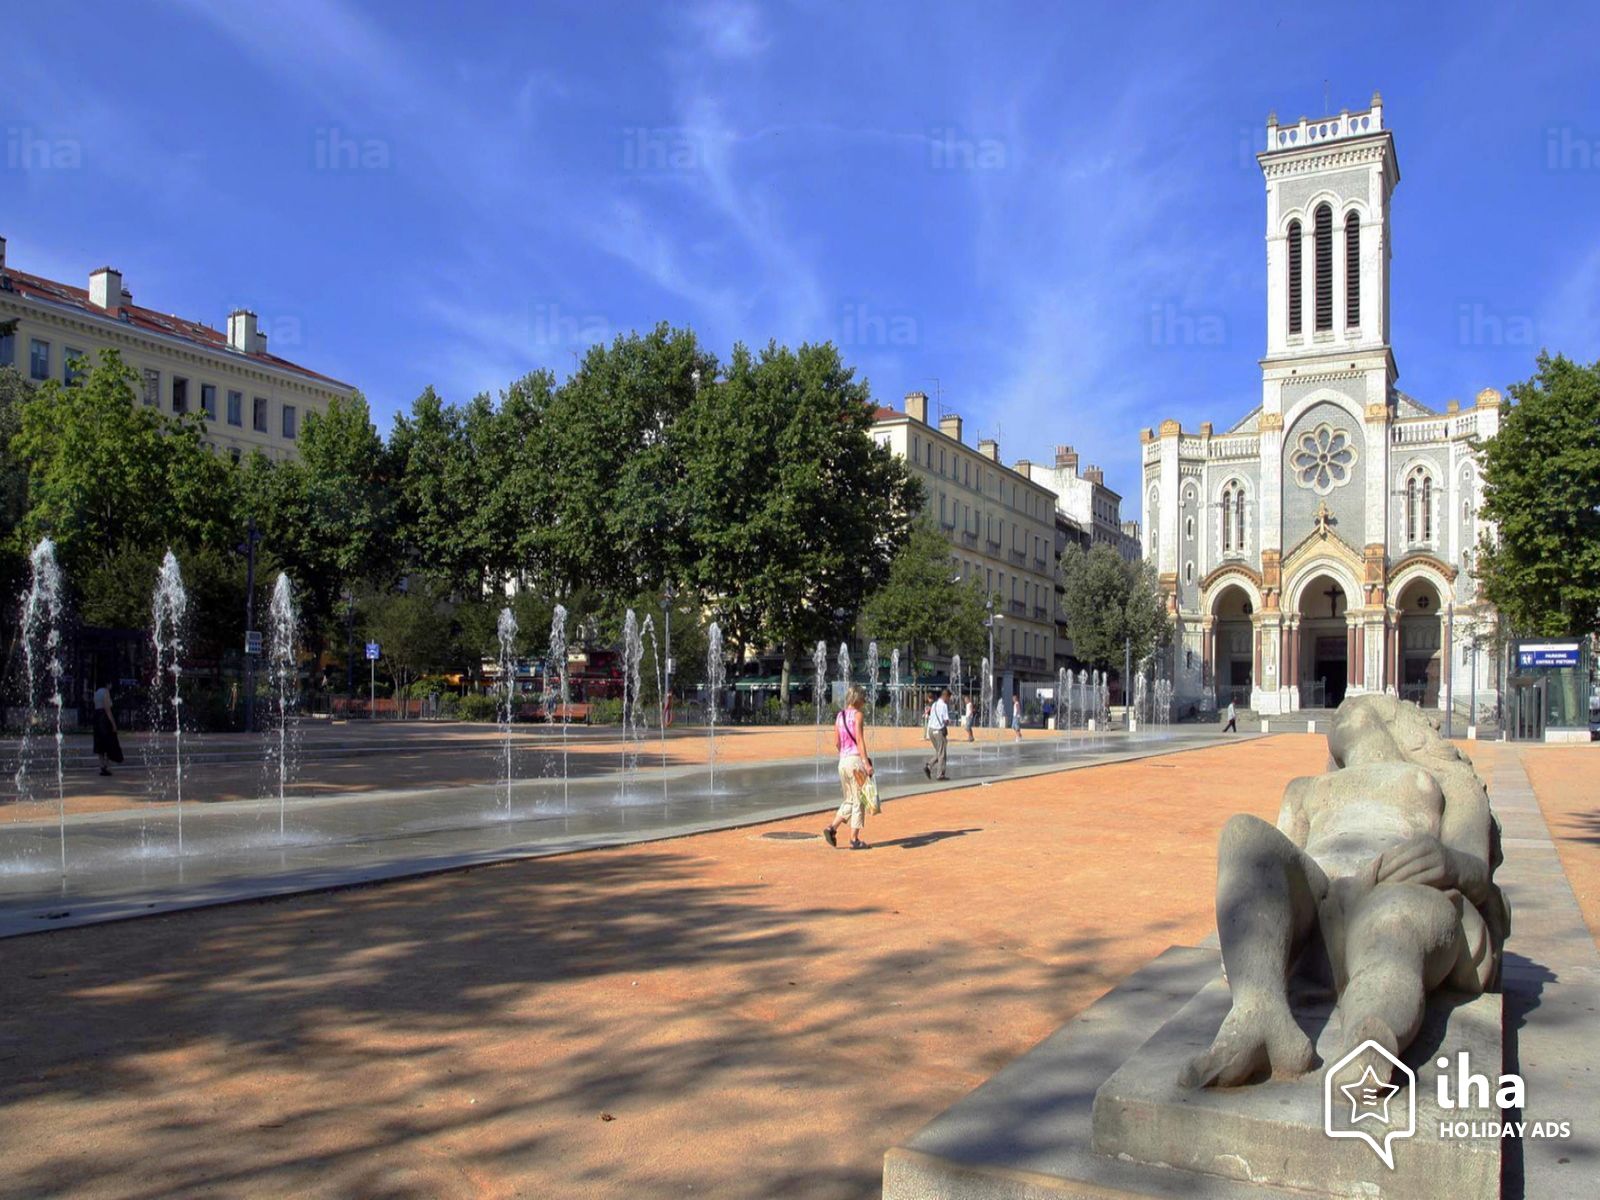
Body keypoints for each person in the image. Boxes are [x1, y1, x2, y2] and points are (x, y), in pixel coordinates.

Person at [823, 685, 874, 850]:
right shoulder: (858, 715)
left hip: (842, 762)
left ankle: (832, 828)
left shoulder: (839, 716)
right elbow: (859, 740)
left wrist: (845, 753)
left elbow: (837, 742)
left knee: (849, 799)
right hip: (855, 762)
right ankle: (854, 839)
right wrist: (866, 763)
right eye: (863, 698)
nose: (865, 701)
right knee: (859, 800)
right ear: (858, 699)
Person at [92, 684, 123, 776]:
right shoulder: (105, 692)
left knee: (100, 743)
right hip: (104, 719)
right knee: (108, 742)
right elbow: (107, 709)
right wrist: (113, 723)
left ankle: (102, 765)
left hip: (97, 717)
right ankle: (106, 766)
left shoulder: (96, 692)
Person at [924, 686, 952, 780]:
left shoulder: (934, 704)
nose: (949, 700)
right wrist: (948, 722)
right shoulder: (944, 705)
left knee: (940, 752)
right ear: (945, 696)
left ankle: (929, 766)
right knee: (942, 753)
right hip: (938, 730)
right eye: (949, 698)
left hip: (931, 731)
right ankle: (940, 775)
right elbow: (945, 720)